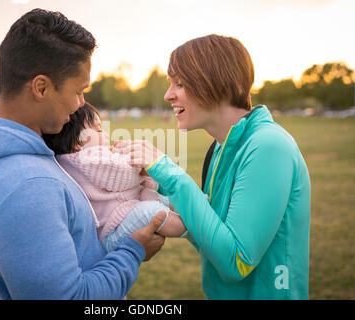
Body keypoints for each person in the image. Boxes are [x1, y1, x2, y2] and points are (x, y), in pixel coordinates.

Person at [0, 8, 165, 300]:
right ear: (41, 87)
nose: (81, 104)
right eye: (79, 91)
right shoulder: (28, 186)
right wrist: (132, 251)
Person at [113, 34, 311, 299]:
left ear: (216, 82)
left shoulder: (268, 145)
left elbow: (235, 262)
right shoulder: (220, 147)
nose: (168, 95)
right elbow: (214, 240)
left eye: (179, 84)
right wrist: (158, 187)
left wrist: (170, 173)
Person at [43, 102, 188, 253]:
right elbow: (124, 174)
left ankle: (198, 206)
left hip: (119, 222)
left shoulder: (68, 161)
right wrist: (140, 164)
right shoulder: (87, 157)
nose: (105, 135)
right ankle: (195, 229)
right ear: (79, 142)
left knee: (157, 199)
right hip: (112, 231)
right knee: (150, 211)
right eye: (98, 131)